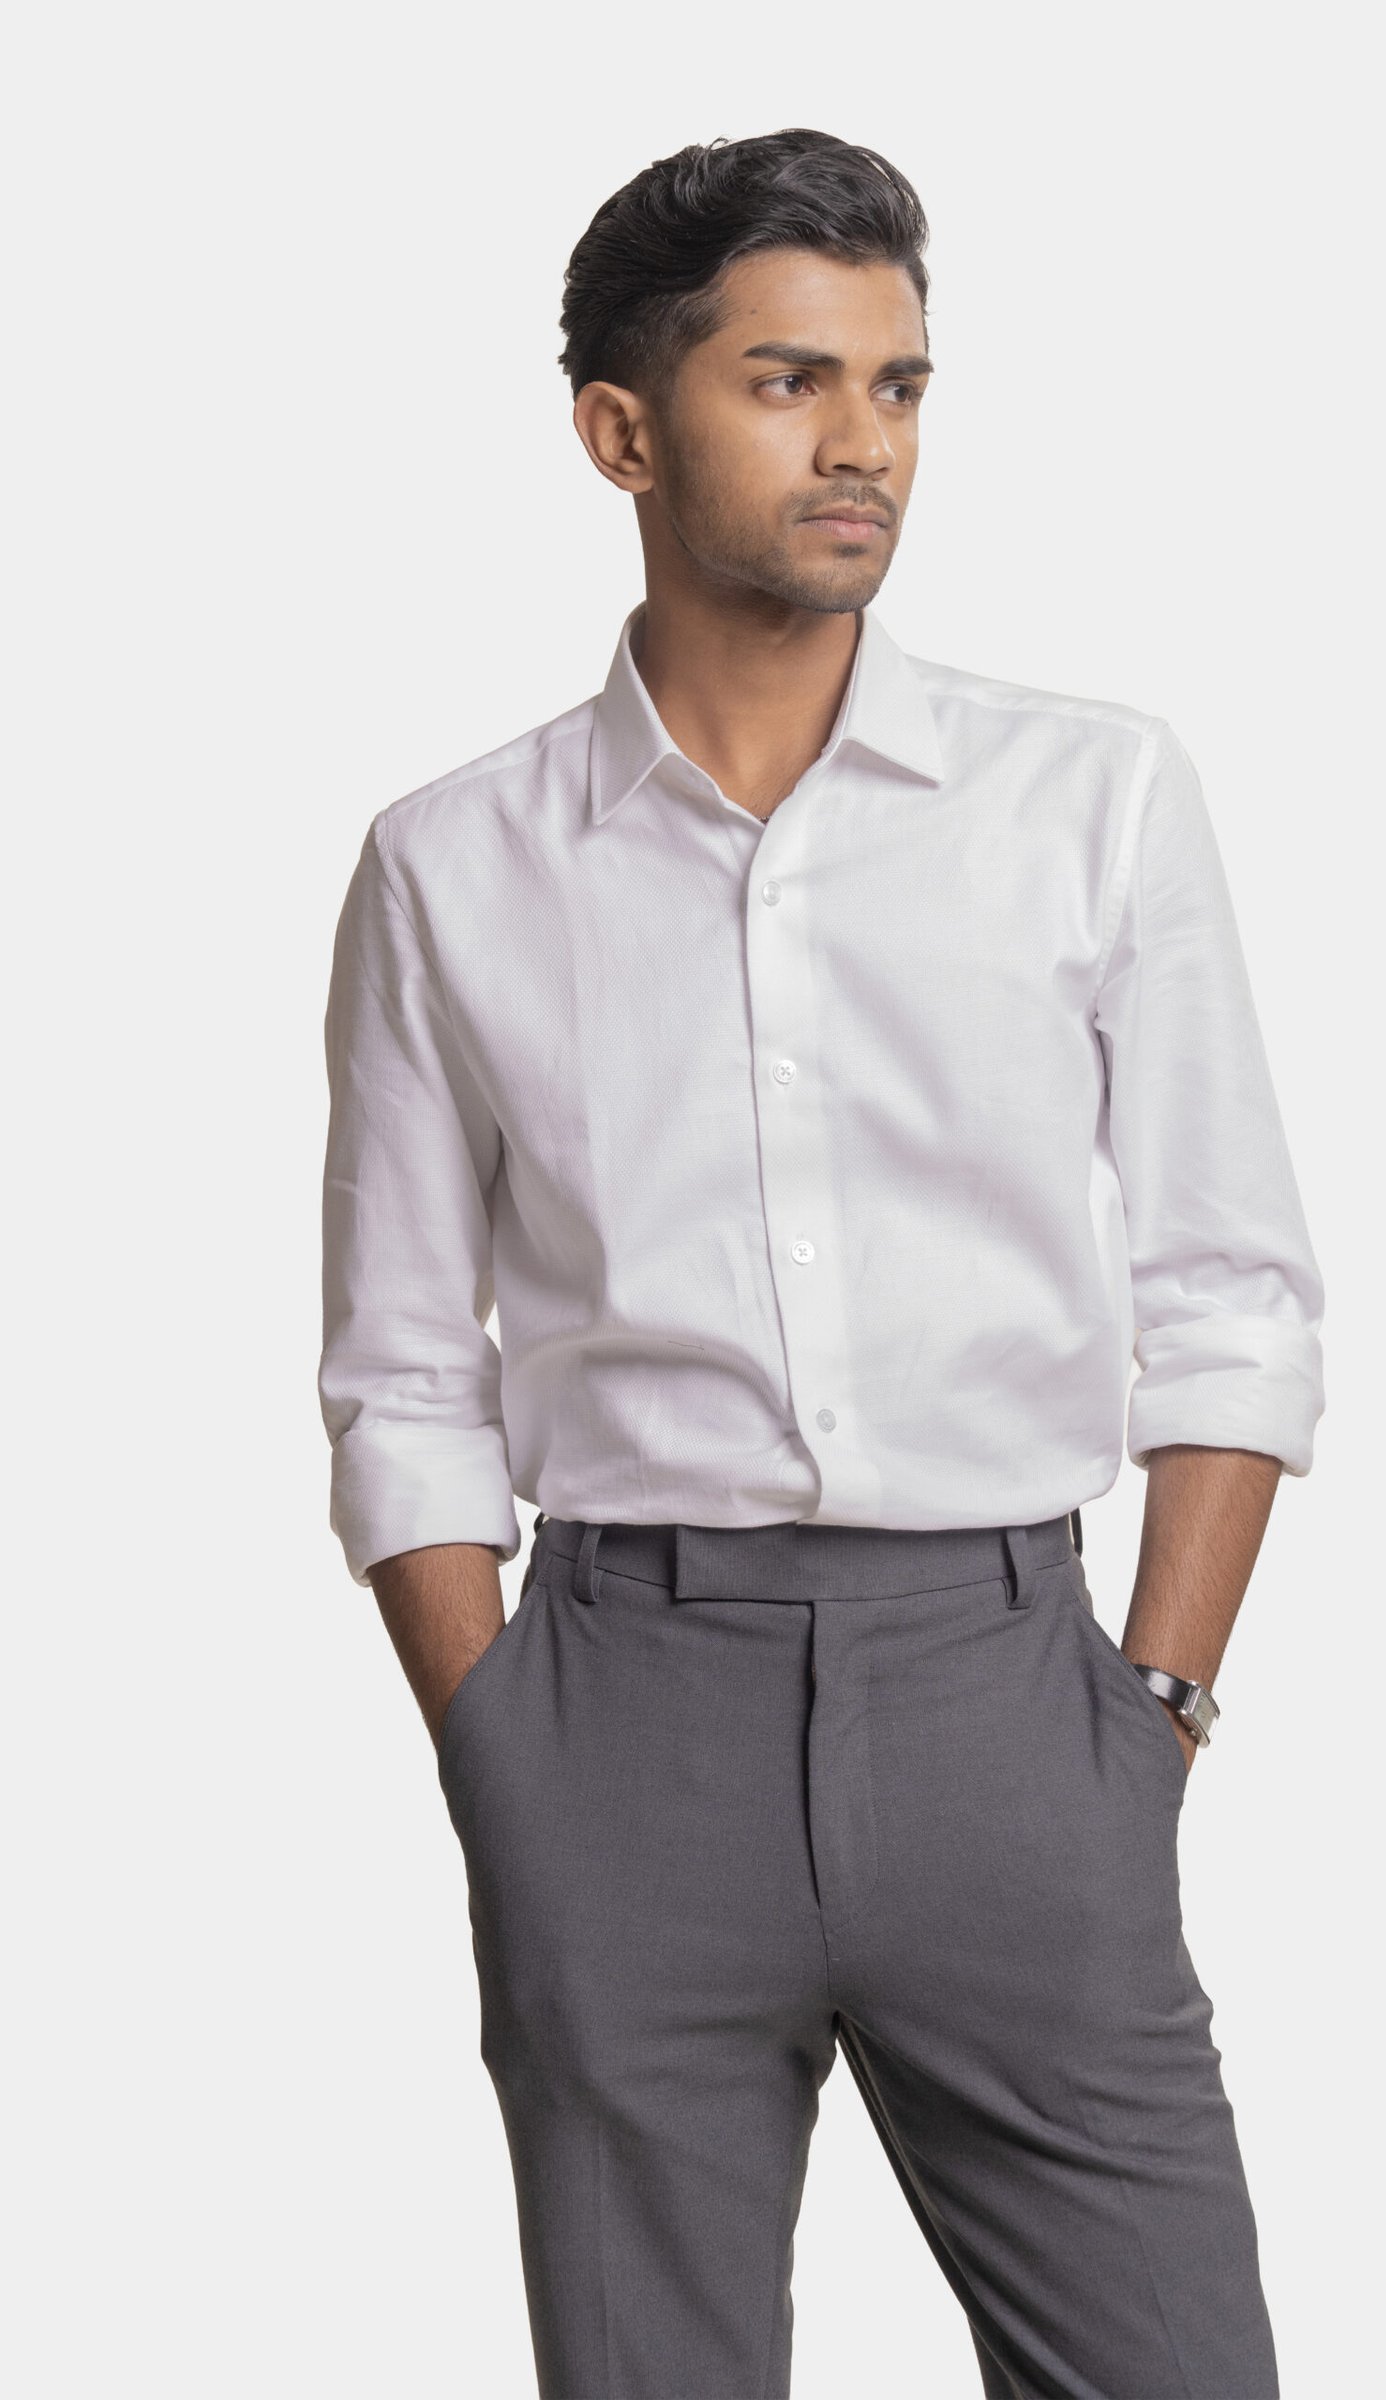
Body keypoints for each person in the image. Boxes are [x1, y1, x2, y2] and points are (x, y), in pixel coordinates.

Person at [318, 125, 1324, 2400]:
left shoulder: (1090, 797)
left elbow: (1231, 1297)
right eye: (788, 381)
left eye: (897, 384)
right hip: (618, 1718)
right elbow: (400, 1369)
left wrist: (1150, 1711)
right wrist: (503, 1752)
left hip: (1012, 1701)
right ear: (621, 432)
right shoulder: (453, 864)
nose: (862, 441)